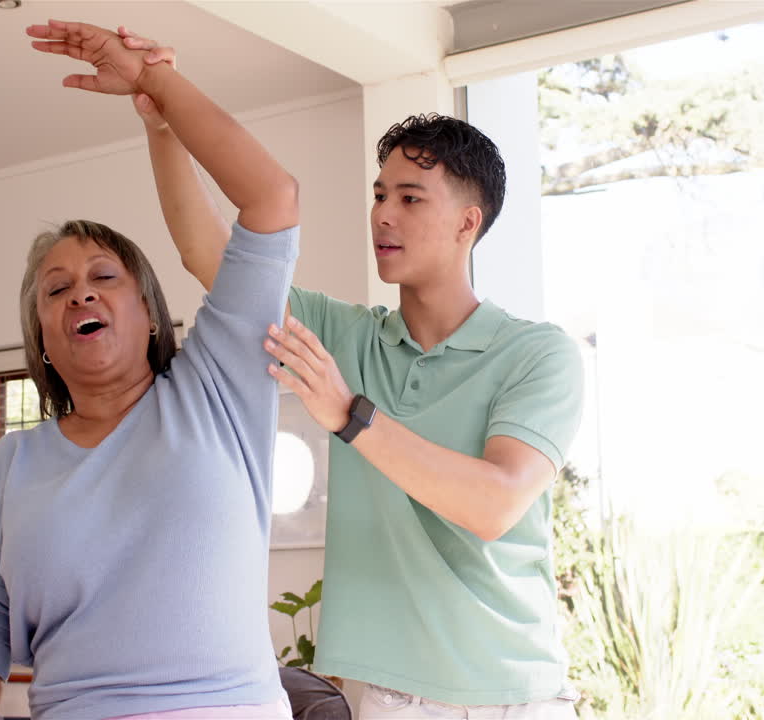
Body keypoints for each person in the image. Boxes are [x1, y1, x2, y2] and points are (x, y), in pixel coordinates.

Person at [120, 30, 585, 720]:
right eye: (378, 194)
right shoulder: (344, 335)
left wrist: (350, 415)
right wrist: (162, 124)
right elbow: (206, 252)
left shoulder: (538, 354)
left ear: (467, 222)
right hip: (389, 697)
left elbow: (492, 504)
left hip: (512, 697)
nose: (382, 215)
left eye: (410, 198)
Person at [0, 20, 300, 720]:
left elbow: (272, 198)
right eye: (56, 289)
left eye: (104, 276)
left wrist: (154, 85)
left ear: (152, 313)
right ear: (41, 336)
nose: (82, 294)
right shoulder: (6, 471)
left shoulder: (218, 389)